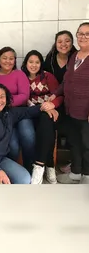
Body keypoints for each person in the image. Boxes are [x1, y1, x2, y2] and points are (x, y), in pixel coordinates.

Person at [0, 83, 58, 184]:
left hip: (0, 160)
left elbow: (27, 111)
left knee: (24, 179)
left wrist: (46, 107)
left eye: (2, 97)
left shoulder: (8, 113)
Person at [49, 22, 89, 184]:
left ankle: (87, 176)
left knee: (87, 145)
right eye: (80, 34)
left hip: (86, 112)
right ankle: (75, 173)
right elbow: (66, 82)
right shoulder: (75, 56)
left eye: (87, 34)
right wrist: (54, 94)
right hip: (71, 110)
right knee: (75, 143)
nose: (83, 37)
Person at [21, 50, 63, 184]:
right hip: (30, 112)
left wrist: (52, 105)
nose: (34, 65)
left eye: (37, 62)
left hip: (48, 111)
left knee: (46, 122)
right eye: (31, 62)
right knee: (46, 126)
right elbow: (23, 97)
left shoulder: (47, 76)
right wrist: (39, 108)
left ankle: (39, 167)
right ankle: (50, 165)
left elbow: (59, 95)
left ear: (41, 64)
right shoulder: (22, 77)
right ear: (26, 63)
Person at [0, 46, 34, 173]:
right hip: (2, 116)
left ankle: (29, 169)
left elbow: (24, 96)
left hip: (21, 113)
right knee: (13, 145)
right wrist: (1, 105)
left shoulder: (19, 74)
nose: (8, 61)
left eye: (11, 59)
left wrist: (2, 102)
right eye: (4, 58)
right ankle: (13, 172)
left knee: (28, 137)